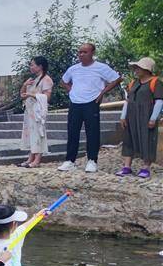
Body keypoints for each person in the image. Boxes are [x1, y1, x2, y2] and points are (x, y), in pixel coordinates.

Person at [59, 43, 122, 172]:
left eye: (84, 52)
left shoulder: (101, 67)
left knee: (92, 132)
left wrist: (103, 92)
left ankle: (92, 160)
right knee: (72, 132)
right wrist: (71, 90)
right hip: (75, 102)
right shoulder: (73, 69)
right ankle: (70, 160)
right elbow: (63, 81)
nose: (81, 55)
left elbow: (116, 79)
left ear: (92, 53)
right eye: (80, 52)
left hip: (91, 102)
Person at [118, 57, 160, 179]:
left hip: (146, 115)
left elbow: (159, 101)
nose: (135, 70)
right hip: (132, 115)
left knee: (147, 139)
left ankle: (145, 168)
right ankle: (127, 167)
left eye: (138, 68)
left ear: (146, 69)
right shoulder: (133, 83)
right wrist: (123, 116)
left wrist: (153, 118)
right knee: (128, 139)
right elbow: (128, 100)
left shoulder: (156, 82)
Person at [18, 57, 54, 168]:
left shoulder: (46, 79)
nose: (31, 67)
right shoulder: (33, 80)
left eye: (33, 65)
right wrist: (25, 85)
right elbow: (22, 95)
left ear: (40, 66)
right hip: (30, 111)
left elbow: (46, 97)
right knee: (31, 134)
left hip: (38, 112)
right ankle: (31, 157)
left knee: (38, 133)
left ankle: (37, 159)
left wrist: (30, 95)